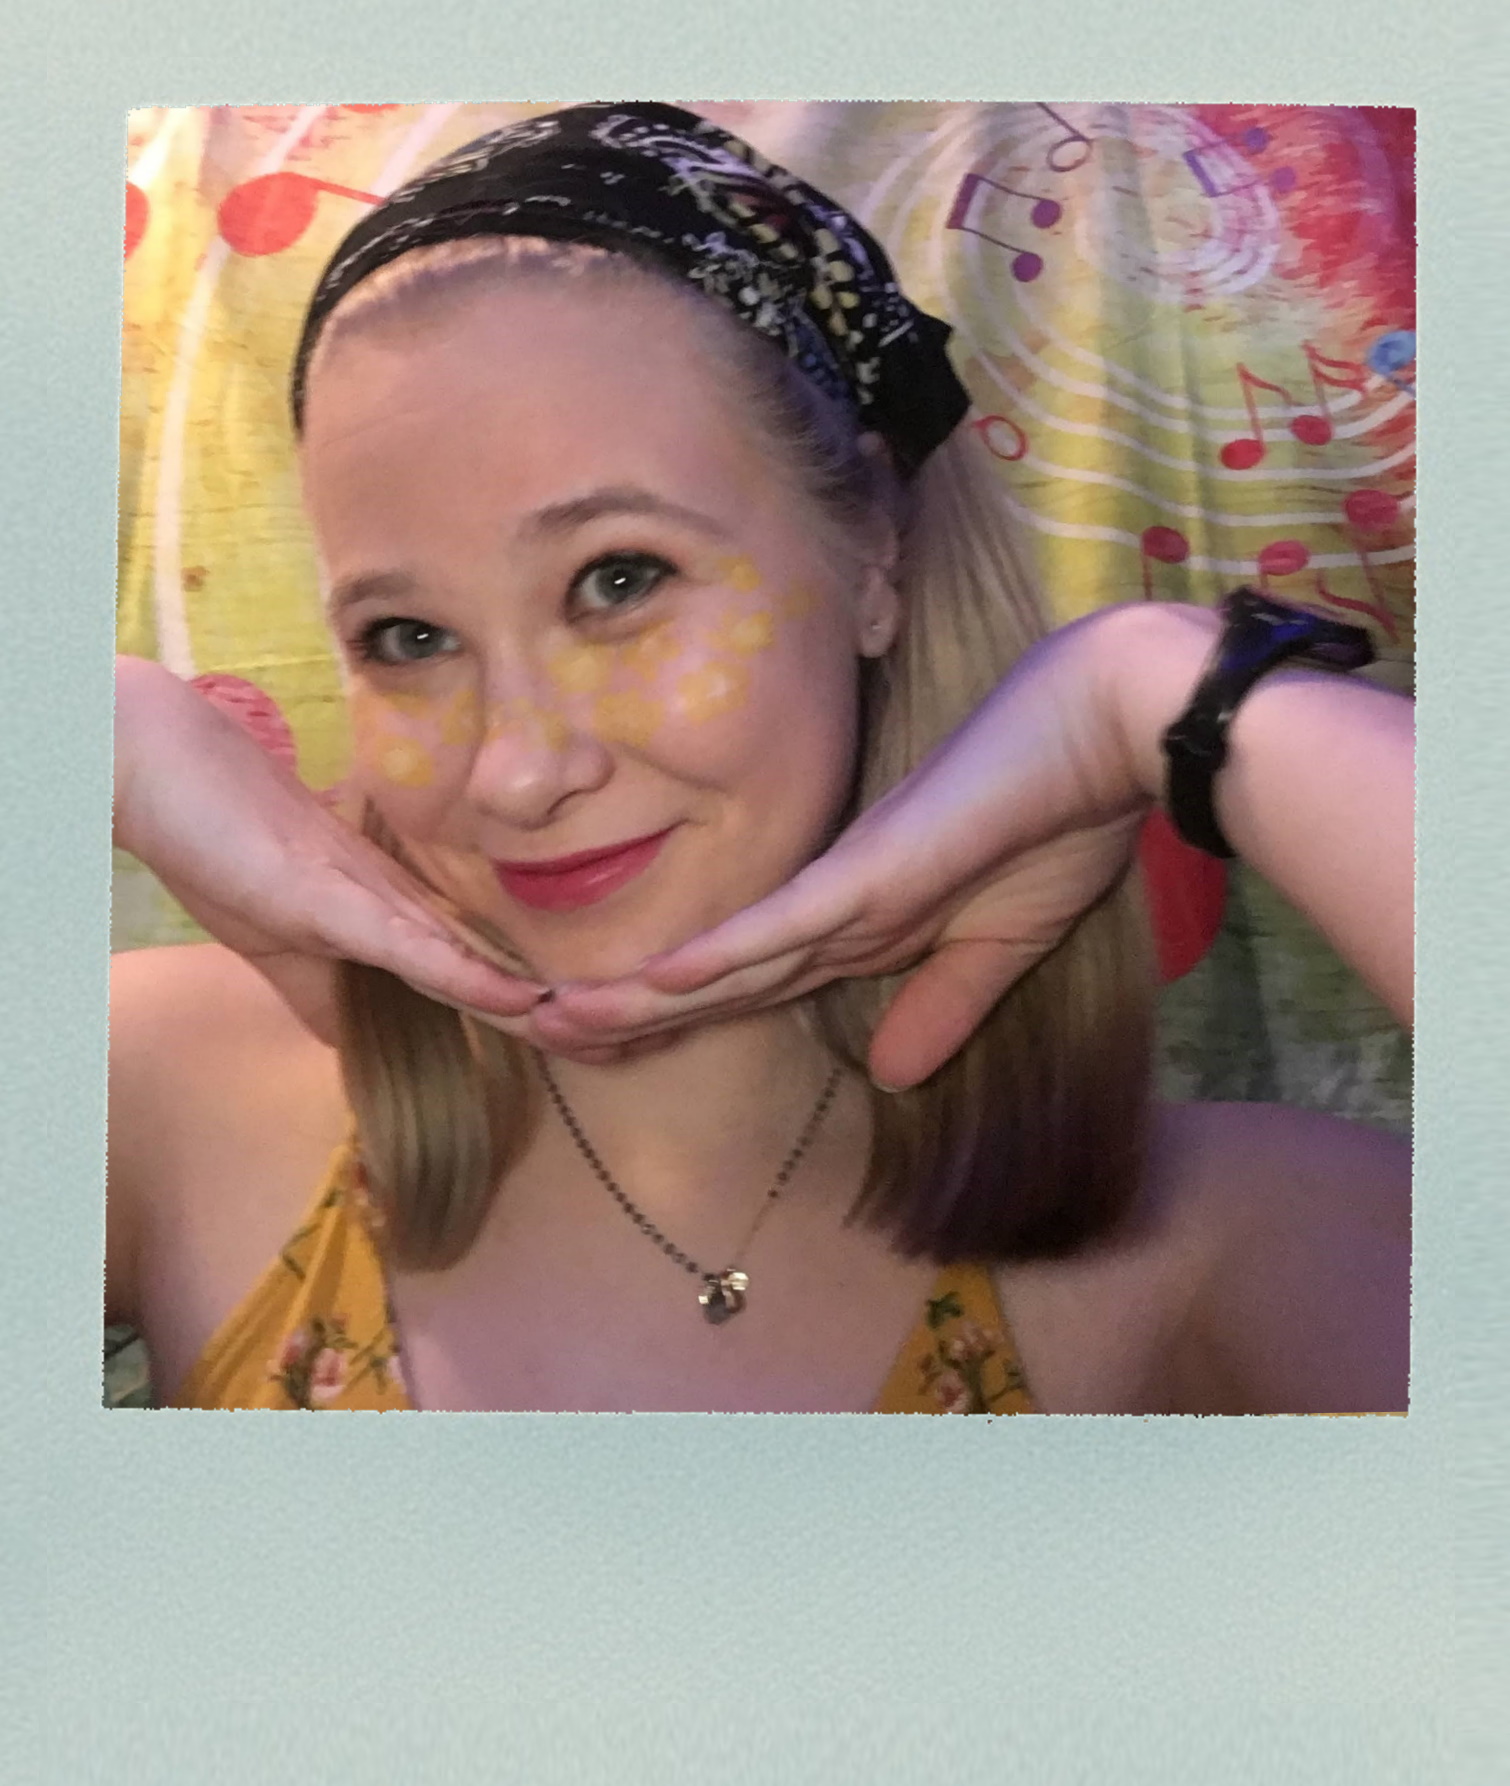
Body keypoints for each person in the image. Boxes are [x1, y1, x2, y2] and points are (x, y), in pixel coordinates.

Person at [107, 104, 1412, 1415]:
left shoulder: (1227, 1243)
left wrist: (1181, 695)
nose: (517, 771)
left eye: (618, 579)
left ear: (874, 554)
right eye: (408, 636)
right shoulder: (169, 1093)